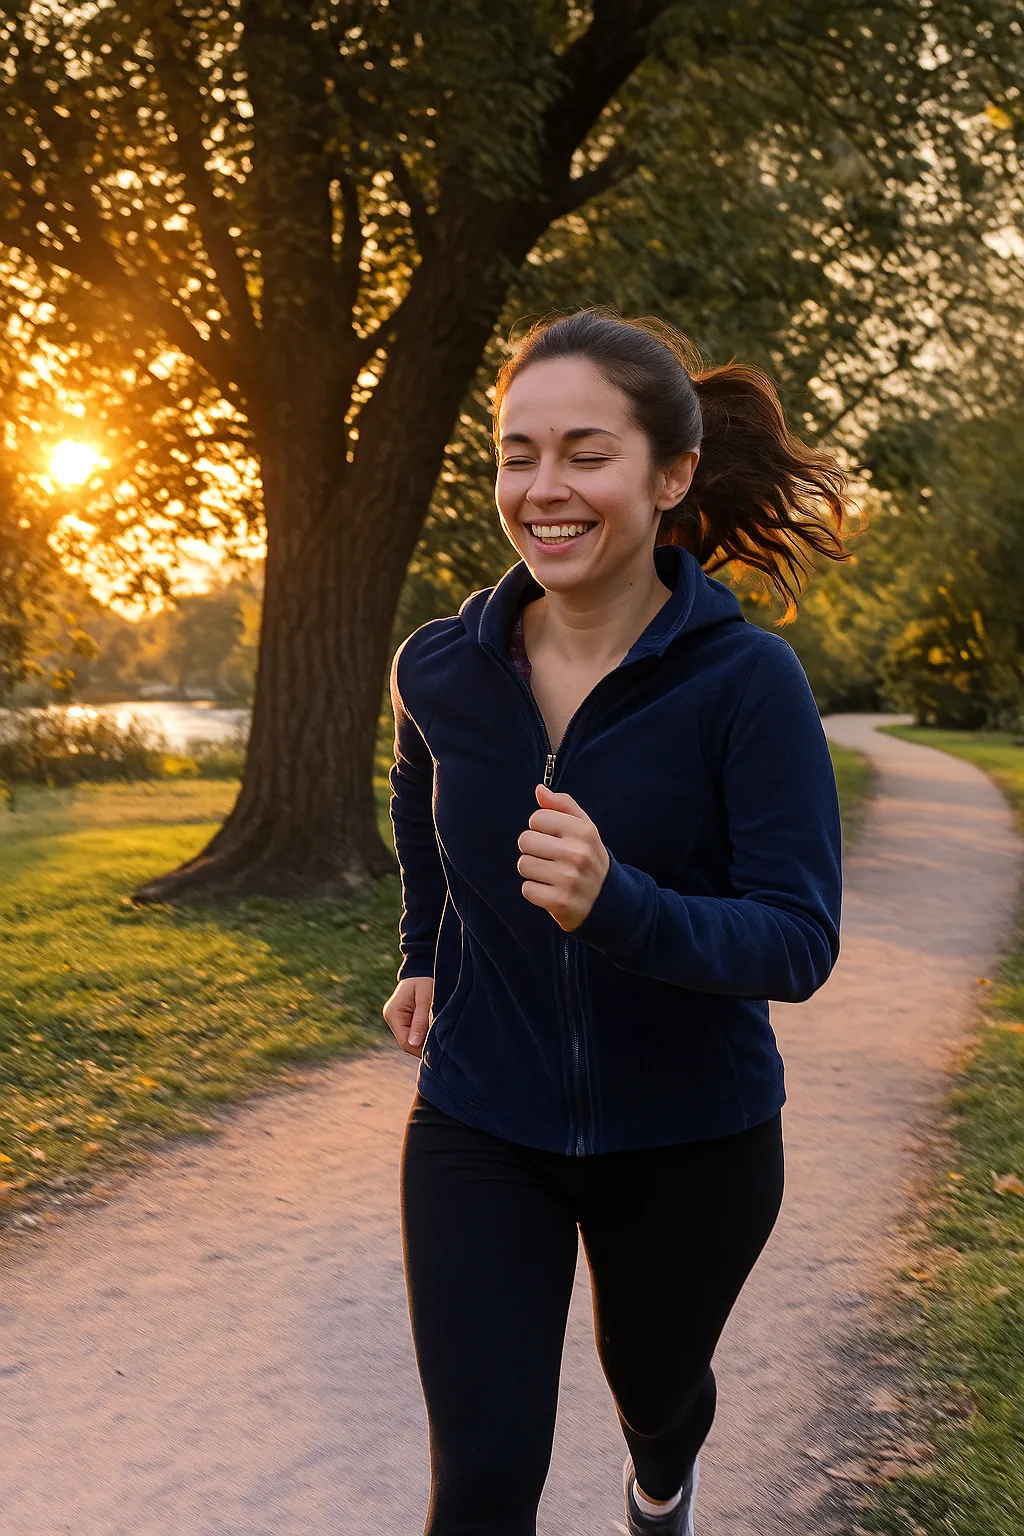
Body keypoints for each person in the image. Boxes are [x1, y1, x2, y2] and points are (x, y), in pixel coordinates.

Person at [382, 309, 847, 1536]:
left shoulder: (746, 683)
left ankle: (659, 1482)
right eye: (515, 455)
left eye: (585, 453)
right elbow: (417, 787)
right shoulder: (440, 667)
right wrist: (425, 951)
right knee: (479, 1485)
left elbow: (797, 940)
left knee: (655, 1392)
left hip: (691, 1136)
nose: (543, 490)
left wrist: (618, 906)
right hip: (483, 1120)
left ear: (671, 473)